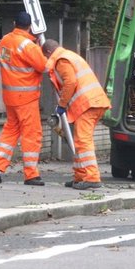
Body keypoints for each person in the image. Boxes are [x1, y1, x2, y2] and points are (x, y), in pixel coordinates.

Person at [0, 11, 46, 186]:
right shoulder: (28, 46)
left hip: (9, 95)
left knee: (11, 131)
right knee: (32, 134)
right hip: (26, 96)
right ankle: (31, 174)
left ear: (14, 23)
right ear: (30, 26)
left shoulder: (5, 41)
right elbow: (43, 66)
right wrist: (41, 48)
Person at [42, 39, 111, 190]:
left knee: (83, 141)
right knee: (79, 141)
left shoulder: (61, 60)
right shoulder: (70, 55)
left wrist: (61, 105)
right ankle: (80, 177)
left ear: (48, 52)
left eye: (46, 58)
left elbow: (70, 82)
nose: (47, 61)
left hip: (87, 104)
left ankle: (92, 178)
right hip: (93, 102)